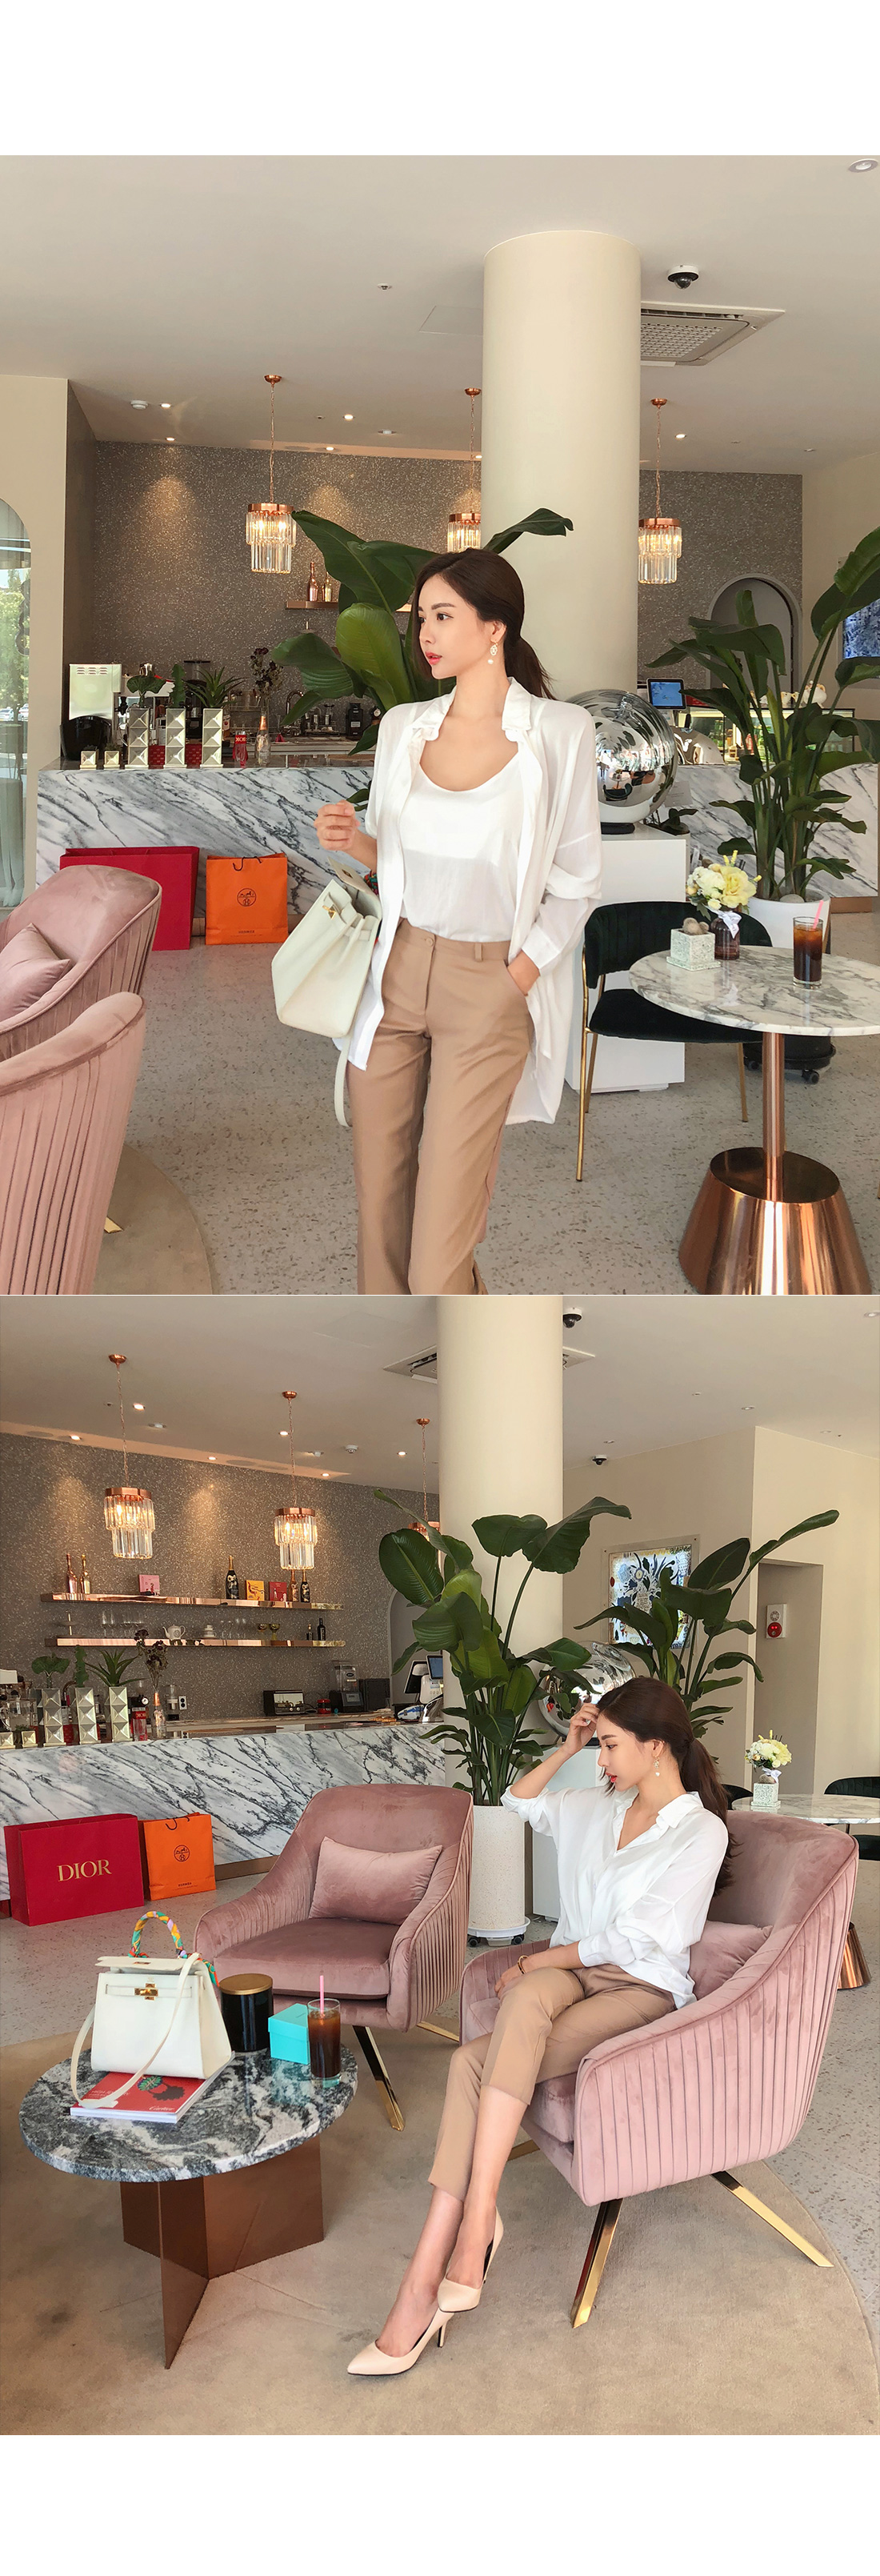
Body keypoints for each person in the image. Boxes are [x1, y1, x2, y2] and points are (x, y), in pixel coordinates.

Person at [348, 1677, 730, 2377]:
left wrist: (539, 1960)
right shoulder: (596, 1805)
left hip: (639, 1985)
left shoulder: (700, 1831)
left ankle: (428, 2272)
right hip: (576, 1972)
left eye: (610, 1745)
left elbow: (635, 1937)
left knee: (471, 2061)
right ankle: (477, 2222)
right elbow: (518, 1800)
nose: (601, 1760)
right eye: (598, 1745)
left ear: (656, 1746)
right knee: (522, 2001)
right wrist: (568, 1745)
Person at [314, 550, 602, 1296]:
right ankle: (399, 1362)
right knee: (381, 1219)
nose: (426, 635)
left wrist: (516, 979)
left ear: (495, 626)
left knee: (438, 1252)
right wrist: (356, 842)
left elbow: (577, 882)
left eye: (443, 616)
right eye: (421, 620)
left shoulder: (560, 732)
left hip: (488, 985)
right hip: (397, 969)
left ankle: (464, 1354)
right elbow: (399, 865)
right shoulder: (403, 729)